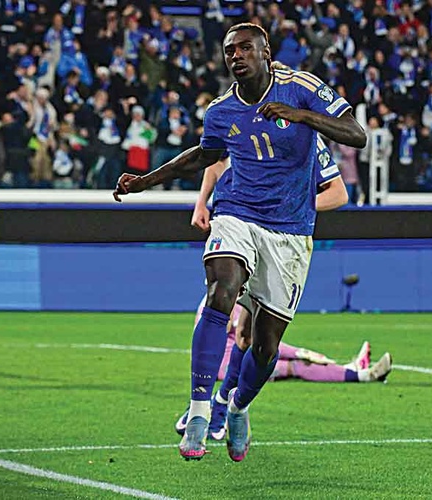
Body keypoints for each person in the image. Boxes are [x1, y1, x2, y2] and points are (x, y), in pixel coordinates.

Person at [112, 23, 366, 462]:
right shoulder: (221, 110)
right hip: (237, 213)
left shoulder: (302, 88)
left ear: (266, 53)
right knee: (221, 290)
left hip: (289, 231)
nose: (237, 56)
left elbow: (356, 135)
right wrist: (145, 182)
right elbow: (203, 155)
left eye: (246, 48)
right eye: (230, 50)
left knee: (264, 346)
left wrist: (302, 116)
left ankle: (237, 407)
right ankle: (198, 411)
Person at [174, 299, 393, 441]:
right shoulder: (229, 298)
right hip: (227, 365)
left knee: (292, 360)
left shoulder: (222, 294)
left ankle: (355, 371)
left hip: (230, 361)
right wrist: (299, 352)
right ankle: (360, 374)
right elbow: (250, 339)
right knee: (296, 366)